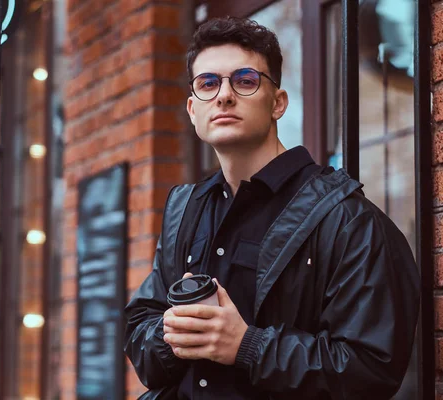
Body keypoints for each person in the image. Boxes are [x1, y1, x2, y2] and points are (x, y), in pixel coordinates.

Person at [123, 16, 420, 400]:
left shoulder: (346, 219)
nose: (224, 96)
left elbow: (370, 371)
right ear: (193, 110)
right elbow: (141, 332)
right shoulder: (185, 210)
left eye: (245, 80)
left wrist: (246, 346)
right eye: (208, 83)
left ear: (278, 103)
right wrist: (172, 334)